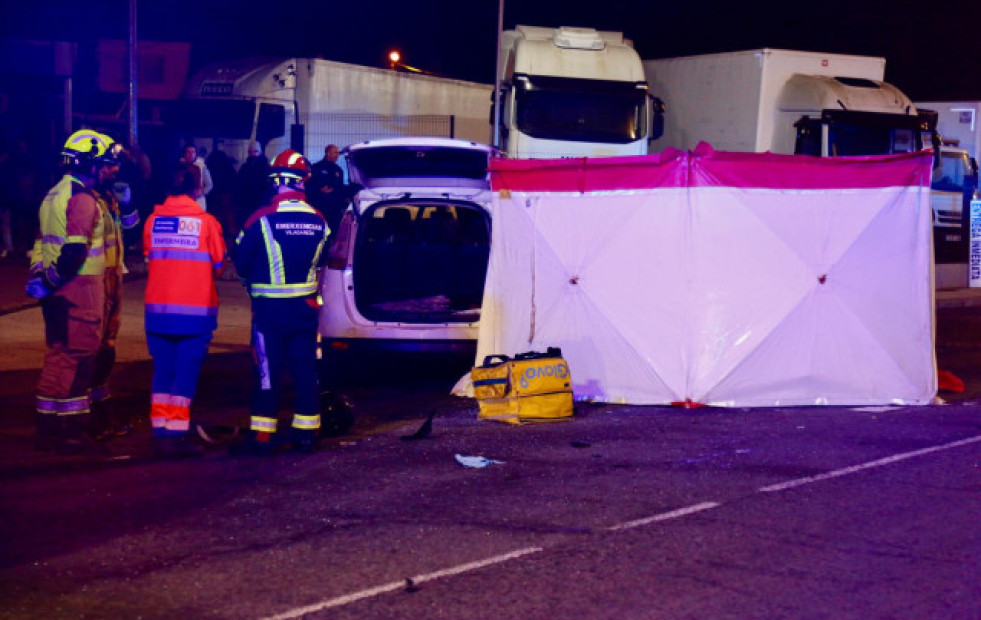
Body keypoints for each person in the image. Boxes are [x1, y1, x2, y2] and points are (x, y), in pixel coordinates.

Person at [231, 149, 329, 455]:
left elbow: (241, 261)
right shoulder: (319, 220)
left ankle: (261, 437)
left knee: (267, 371)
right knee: (305, 370)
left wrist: (253, 287)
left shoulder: (260, 219)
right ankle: (306, 435)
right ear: (303, 182)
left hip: (269, 311)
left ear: (276, 181)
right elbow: (322, 263)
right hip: (306, 310)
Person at [27, 129, 117, 455]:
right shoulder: (82, 199)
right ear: (89, 163)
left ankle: (48, 426)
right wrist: (53, 279)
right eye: (102, 164)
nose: (106, 169)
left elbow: (41, 242)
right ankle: (71, 430)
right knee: (77, 358)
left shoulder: (53, 194)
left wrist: (41, 277)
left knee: (58, 355)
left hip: (58, 293)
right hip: (79, 290)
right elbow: (75, 252)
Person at [143, 164, 226, 457]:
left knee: (162, 371)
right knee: (185, 374)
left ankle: (159, 429)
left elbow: (148, 256)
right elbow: (218, 264)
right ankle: (177, 435)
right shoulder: (206, 223)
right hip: (194, 313)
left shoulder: (153, 220)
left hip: (158, 311)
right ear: (197, 188)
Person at [88, 141, 141, 441]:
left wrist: (130, 203)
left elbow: (130, 229)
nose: (113, 169)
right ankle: (90, 419)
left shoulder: (108, 197)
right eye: (108, 164)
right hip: (94, 282)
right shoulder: (85, 200)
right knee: (93, 350)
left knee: (106, 350)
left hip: (111, 280)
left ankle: (101, 416)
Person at [307, 144, 347, 234]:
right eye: (335, 153)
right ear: (328, 153)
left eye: (337, 153)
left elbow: (340, 189)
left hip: (334, 210)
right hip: (320, 208)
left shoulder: (339, 170)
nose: (337, 155)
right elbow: (308, 187)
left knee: (333, 232)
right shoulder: (316, 168)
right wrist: (319, 190)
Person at [235, 142, 270, 229]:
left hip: (258, 205)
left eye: (255, 151)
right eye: (250, 152)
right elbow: (239, 186)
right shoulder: (245, 167)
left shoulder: (265, 168)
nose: (253, 154)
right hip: (247, 205)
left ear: (260, 152)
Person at [178, 143, 213, 211]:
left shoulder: (201, 167)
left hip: (198, 200)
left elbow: (209, 184)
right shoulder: (179, 166)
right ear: (184, 153)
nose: (191, 154)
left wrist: (201, 192)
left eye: (193, 152)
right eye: (188, 152)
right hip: (182, 200)